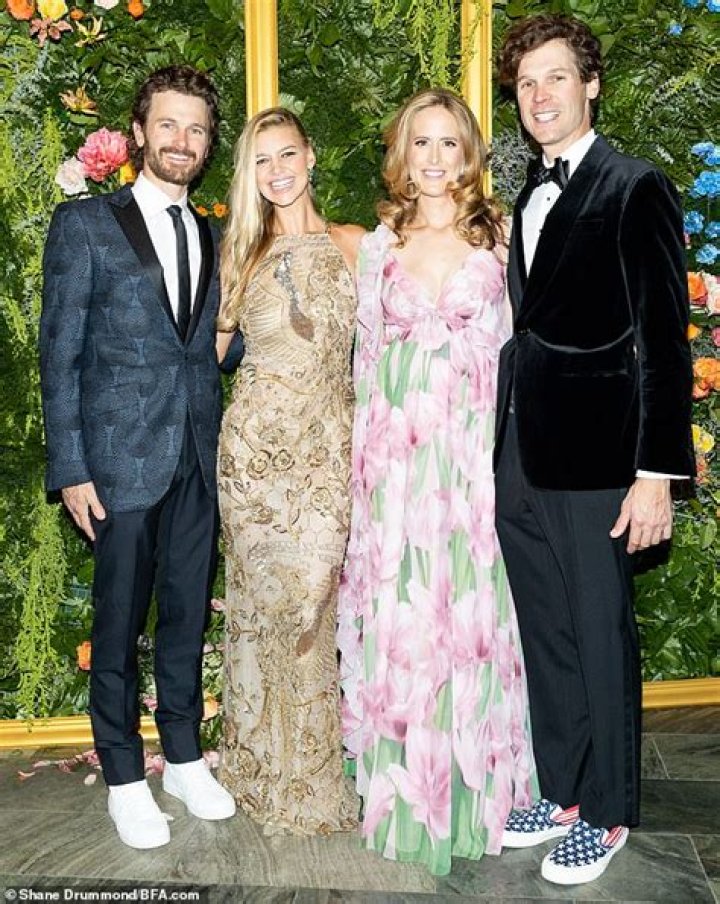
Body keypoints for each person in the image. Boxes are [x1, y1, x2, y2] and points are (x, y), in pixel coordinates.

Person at [494, 15, 695, 885]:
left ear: (591, 85)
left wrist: (655, 475)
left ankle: (608, 812)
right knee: (546, 629)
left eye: (555, 77)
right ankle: (564, 790)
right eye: (526, 83)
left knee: (598, 632)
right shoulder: (527, 195)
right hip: (520, 451)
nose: (540, 95)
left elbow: (665, 341)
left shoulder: (635, 186)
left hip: (599, 458)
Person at [337, 88, 537, 877]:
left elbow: (526, 353)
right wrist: (362, 475)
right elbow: (364, 362)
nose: (433, 158)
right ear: (401, 153)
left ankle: (475, 787)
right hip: (395, 464)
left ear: (470, 155)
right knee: (407, 616)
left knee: (471, 613)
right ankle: (405, 792)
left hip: (473, 459)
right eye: (420, 142)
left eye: (448, 143)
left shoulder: (503, 238)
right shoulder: (378, 247)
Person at [40, 65, 236, 850]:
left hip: (196, 455)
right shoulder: (86, 224)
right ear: (139, 131)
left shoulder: (214, 235)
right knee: (118, 624)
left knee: (186, 615)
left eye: (196, 129)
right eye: (168, 124)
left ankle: (184, 757)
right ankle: (124, 775)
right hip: (118, 461)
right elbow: (60, 353)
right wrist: (71, 465)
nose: (182, 140)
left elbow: (210, 345)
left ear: (208, 143)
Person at [215, 107, 364, 835]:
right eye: (261, 161)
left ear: (311, 156)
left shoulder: (354, 244)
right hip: (254, 461)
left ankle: (308, 778)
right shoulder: (240, 256)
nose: (276, 171)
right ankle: (261, 775)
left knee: (311, 609)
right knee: (264, 614)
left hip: (328, 454)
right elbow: (208, 358)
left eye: (286, 154)